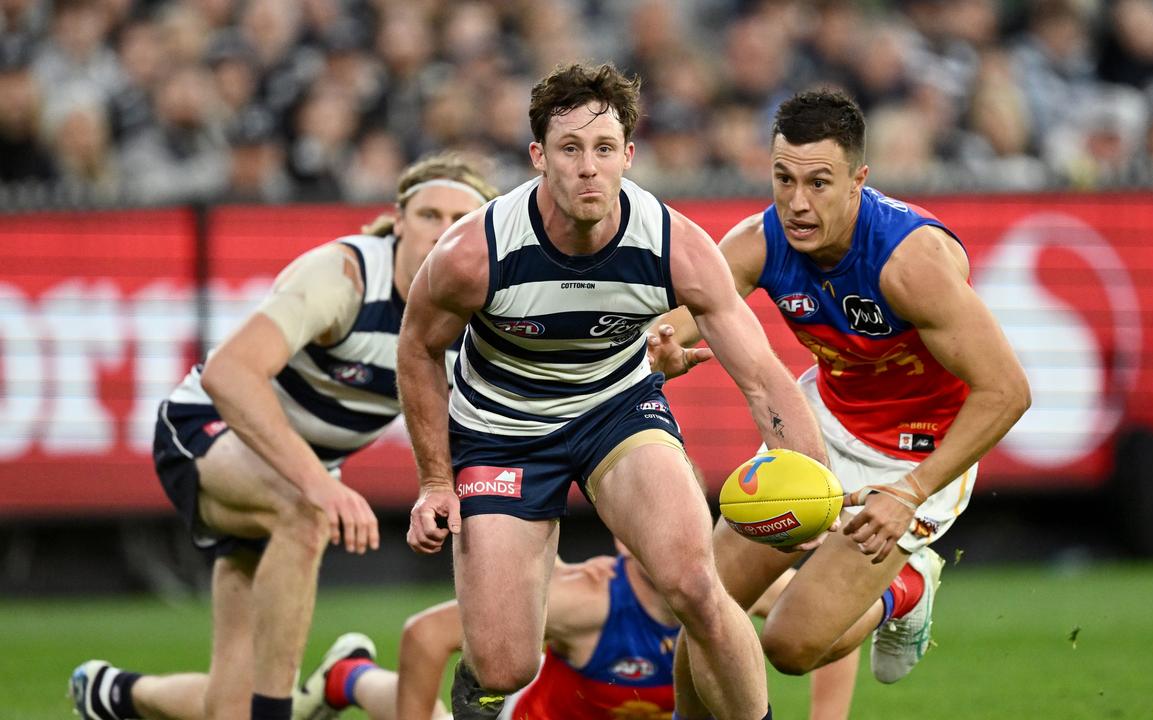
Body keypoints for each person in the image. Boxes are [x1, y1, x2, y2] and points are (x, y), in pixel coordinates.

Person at [395, 63, 828, 720]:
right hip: (502, 432)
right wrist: (434, 481)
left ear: (628, 154)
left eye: (604, 149)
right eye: (570, 149)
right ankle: (483, 677)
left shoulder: (673, 244)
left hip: (617, 411)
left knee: (695, 585)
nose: (588, 168)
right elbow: (418, 348)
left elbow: (761, 371)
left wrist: (810, 480)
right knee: (507, 663)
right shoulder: (474, 252)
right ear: (539, 156)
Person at [69, 154, 499, 720]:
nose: (440, 231)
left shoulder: (478, 312)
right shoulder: (345, 275)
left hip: (291, 476)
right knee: (303, 511)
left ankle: (114, 694)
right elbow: (229, 374)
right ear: (397, 220)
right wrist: (319, 484)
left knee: (230, 708)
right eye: (427, 214)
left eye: (458, 220)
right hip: (209, 432)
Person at [649, 89, 1031, 718]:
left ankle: (907, 589)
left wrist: (908, 491)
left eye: (819, 183)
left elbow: (1007, 391)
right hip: (819, 429)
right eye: (783, 179)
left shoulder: (910, 263)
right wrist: (662, 352)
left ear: (858, 181)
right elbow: (668, 328)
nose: (797, 203)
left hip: (916, 454)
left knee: (790, 646)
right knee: (701, 604)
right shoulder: (758, 240)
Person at [292, 544, 858, 720]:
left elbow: (826, 628)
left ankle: (347, 674)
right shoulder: (586, 601)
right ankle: (349, 676)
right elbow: (425, 635)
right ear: (622, 538)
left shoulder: (731, 590)